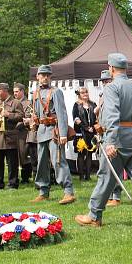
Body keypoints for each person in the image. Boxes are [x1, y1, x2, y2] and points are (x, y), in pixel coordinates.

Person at [75, 53, 132, 230]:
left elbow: (113, 116)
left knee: (105, 178)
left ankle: (94, 216)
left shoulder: (111, 88)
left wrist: (110, 142)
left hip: (118, 139)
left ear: (112, 68)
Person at [31, 65, 76, 204]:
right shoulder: (35, 93)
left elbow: (62, 114)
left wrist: (63, 134)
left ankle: (68, 192)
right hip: (41, 131)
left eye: (47, 75)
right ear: (37, 77)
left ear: (50, 77)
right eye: (42, 75)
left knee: (58, 161)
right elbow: (36, 113)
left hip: (54, 131)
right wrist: (33, 122)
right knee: (42, 163)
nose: (45, 77)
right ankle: (43, 191)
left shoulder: (56, 92)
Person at [0, 83, 24, 190]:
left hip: (10, 136)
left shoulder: (15, 103)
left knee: (12, 162)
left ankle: (13, 183)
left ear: (5, 91)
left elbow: (21, 116)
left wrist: (9, 115)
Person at [96, 69, 122, 207]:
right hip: (103, 133)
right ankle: (109, 196)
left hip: (112, 135)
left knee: (114, 166)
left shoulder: (115, 94)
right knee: (105, 167)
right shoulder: (102, 95)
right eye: (103, 81)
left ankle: (116, 196)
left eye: (107, 80)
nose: (105, 83)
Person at [72, 86, 97, 181]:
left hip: (91, 133)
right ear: (79, 94)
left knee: (90, 154)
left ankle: (88, 175)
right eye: (82, 92)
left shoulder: (93, 104)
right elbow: (76, 119)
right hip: (81, 133)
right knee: (81, 154)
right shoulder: (76, 105)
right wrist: (86, 128)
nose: (85, 94)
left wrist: (94, 128)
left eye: (86, 92)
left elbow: (96, 117)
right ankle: (81, 176)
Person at [13, 83, 34, 184]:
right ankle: (14, 177)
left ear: (22, 91)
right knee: (14, 156)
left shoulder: (27, 103)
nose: (15, 94)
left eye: (17, 91)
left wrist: (14, 124)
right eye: (14, 92)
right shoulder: (12, 103)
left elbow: (27, 118)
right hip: (13, 134)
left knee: (24, 155)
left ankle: (25, 177)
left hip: (23, 133)